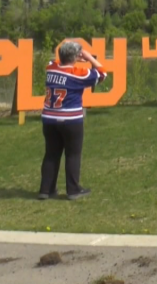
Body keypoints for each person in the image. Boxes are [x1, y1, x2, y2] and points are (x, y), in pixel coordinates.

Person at [38, 40, 106, 201]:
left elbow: (54, 62)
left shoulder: (50, 69)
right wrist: (88, 57)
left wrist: (70, 55)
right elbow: (102, 73)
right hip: (70, 120)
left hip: (49, 118)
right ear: (76, 57)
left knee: (51, 154)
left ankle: (45, 190)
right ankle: (73, 190)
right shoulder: (78, 73)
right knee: (72, 154)